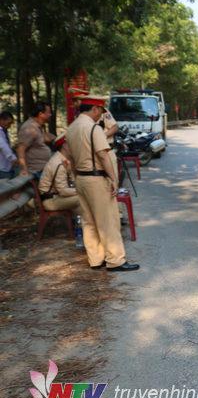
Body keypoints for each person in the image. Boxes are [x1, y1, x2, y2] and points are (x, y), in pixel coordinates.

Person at [65, 95, 139, 272]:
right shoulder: (93, 129)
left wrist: (76, 177)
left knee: (88, 221)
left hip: (81, 179)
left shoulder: (71, 128)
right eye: (100, 111)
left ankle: (96, 259)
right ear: (95, 109)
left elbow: (71, 158)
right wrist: (113, 179)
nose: (101, 115)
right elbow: (103, 155)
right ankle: (116, 260)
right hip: (96, 179)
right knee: (108, 220)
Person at [37, 134, 80, 212]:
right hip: (50, 201)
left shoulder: (64, 160)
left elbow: (72, 181)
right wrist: (81, 190)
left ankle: (81, 223)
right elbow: (63, 191)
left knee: (85, 197)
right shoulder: (58, 163)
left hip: (57, 197)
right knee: (83, 199)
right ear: (65, 145)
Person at [17, 102, 55, 178]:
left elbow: (36, 141)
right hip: (36, 172)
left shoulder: (37, 126)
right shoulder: (29, 128)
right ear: (41, 114)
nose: (50, 115)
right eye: (48, 112)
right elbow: (20, 149)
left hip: (42, 170)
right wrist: (24, 169)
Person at [0, 111, 17, 179]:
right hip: (2, 168)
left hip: (6, 166)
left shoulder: (4, 131)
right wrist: (13, 159)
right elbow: (3, 146)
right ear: (1, 119)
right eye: (9, 123)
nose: (9, 125)